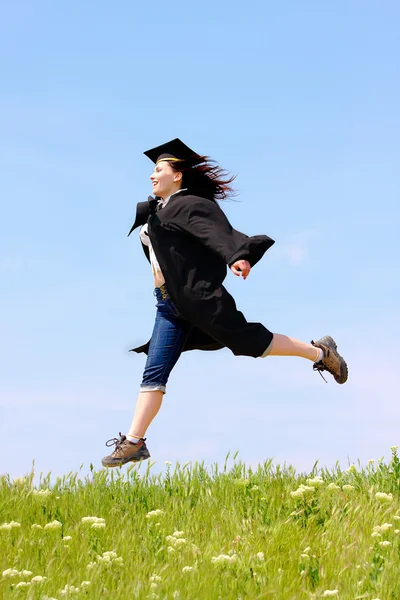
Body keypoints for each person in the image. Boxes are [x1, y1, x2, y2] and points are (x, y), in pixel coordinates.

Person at [101, 139, 348, 467]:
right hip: (169, 305)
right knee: (154, 371)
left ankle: (321, 353)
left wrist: (237, 256)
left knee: (253, 343)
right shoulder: (158, 213)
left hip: (200, 300)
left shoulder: (189, 204)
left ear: (177, 176)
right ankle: (134, 442)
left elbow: (214, 231)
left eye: (159, 169)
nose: (151, 175)